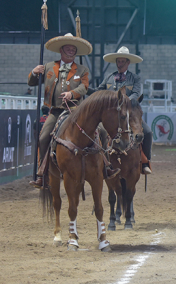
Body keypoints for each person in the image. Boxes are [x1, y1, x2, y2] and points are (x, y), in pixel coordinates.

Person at [28, 33, 116, 188]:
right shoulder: (49, 67)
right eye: (68, 48)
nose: (71, 51)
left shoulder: (82, 69)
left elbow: (85, 87)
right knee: (43, 138)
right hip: (56, 112)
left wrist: (72, 94)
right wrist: (35, 72)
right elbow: (33, 83)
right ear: (61, 50)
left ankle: (107, 167)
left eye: (73, 49)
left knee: (101, 131)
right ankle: (43, 172)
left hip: (77, 111)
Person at [100, 46, 152, 175]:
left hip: (130, 112)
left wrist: (125, 101)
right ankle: (98, 161)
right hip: (110, 114)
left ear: (128, 63)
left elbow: (136, 93)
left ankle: (145, 161)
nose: (120, 64)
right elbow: (99, 90)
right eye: (118, 61)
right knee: (97, 132)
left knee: (147, 131)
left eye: (123, 62)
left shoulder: (135, 78)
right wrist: (87, 89)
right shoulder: (109, 77)